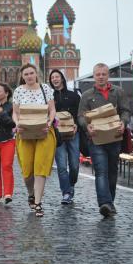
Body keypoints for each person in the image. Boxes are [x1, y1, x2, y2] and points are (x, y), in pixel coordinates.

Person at [78, 63, 131, 217]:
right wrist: (86, 127)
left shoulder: (118, 92)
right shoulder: (87, 95)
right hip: (95, 139)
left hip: (115, 138)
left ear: (108, 75)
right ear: (93, 76)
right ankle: (104, 203)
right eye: (98, 74)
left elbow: (126, 111)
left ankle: (110, 202)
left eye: (103, 74)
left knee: (112, 172)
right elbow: (81, 116)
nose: (101, 76)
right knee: (101, 171)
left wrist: (123, 122)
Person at [12, 63, 57, 217]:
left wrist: (49, 123)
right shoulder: (18, 91)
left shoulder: (46, 89)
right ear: (22, 77)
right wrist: (17, 125)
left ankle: (38, 203)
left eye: (31, 73)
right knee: (27, 170)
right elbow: (15, 113)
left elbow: (52, 110)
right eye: (26, 74)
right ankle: (31, 193)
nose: (29, 76)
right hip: (25, 133)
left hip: (44, 132)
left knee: (40, 167)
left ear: (36, 74)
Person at [49, 69, 80, 205]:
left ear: (62, 78)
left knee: (74, 165)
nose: (55, 79)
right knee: (61, 166)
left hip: (73, 133)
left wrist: (77, 125)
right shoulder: (49, 97)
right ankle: (66, 192)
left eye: (57, 76)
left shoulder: (74, 95)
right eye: (52, 77)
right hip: (57, 134)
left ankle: (71, 184)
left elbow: (80, 113)